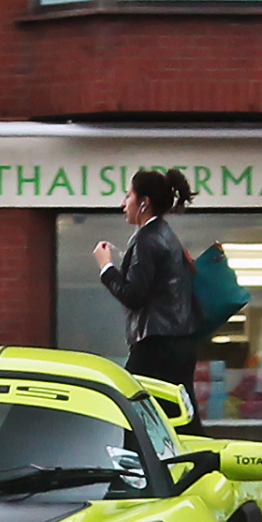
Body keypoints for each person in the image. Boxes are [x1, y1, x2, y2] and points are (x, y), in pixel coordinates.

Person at [93, 168, 205, 435]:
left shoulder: (147, 239)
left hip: (155, 345)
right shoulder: (166, 235)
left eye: (128, 196)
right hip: (178, 343)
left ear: (144, 202)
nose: (123, 203)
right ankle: (201, 467)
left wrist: (106, 267)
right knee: (181, 420)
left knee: (129, 412)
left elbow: (133, 295)